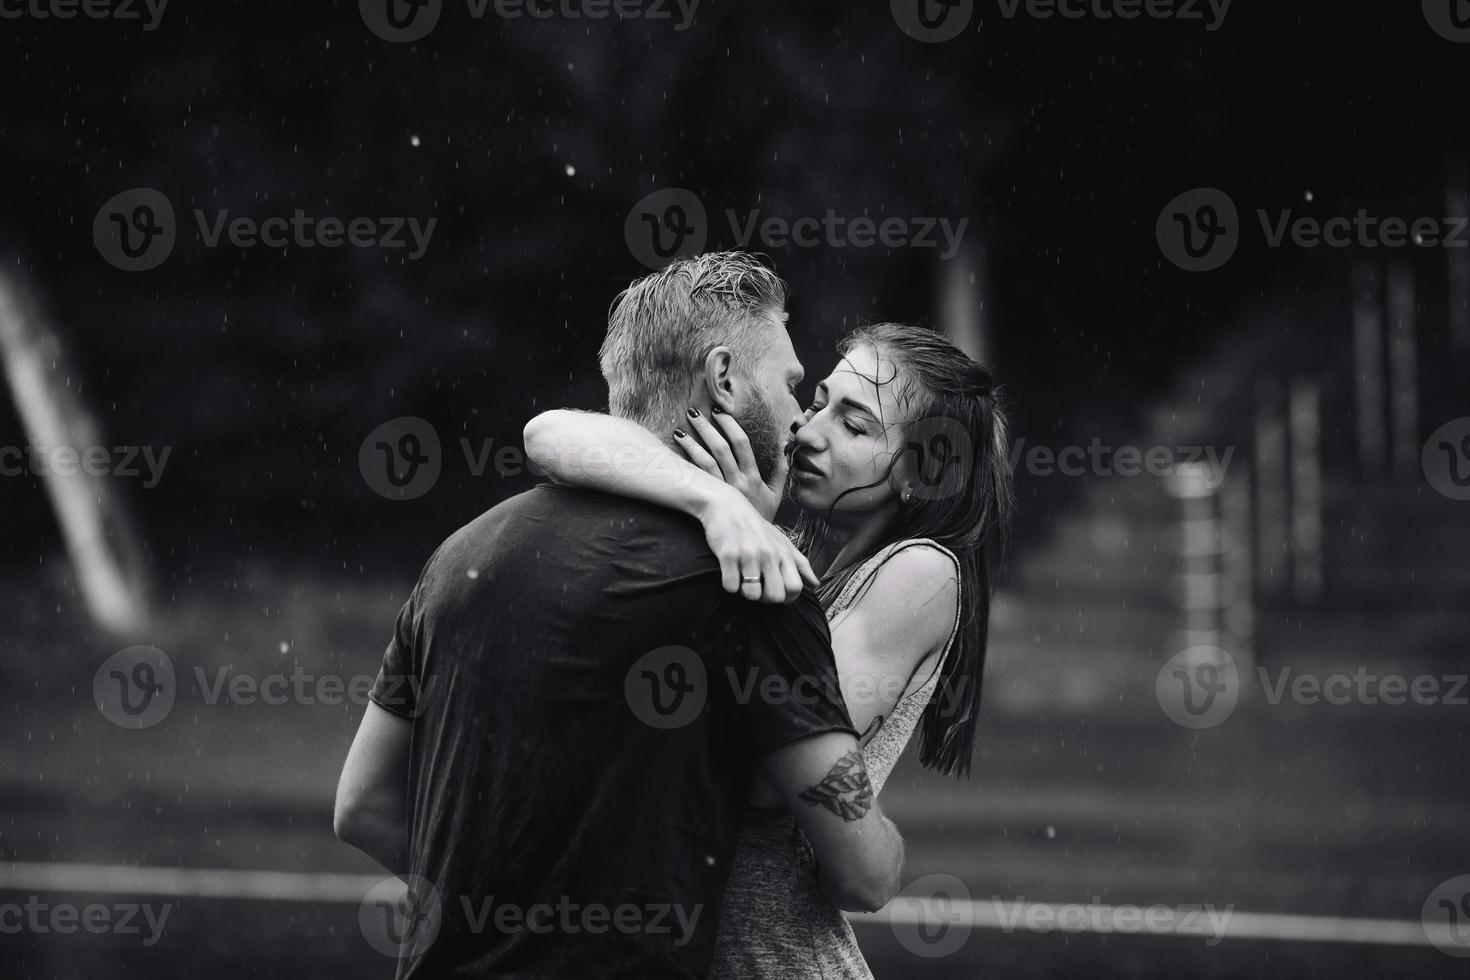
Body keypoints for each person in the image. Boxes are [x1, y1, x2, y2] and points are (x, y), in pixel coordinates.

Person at [332, 251, 906, 979]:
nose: (799, 420)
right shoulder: (756, 580)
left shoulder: (459, 556)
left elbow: (361, 806)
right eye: (793, 386)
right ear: (725, 377)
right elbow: (863, 874)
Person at [524, 319, 1015, 978]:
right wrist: (713, 504)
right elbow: (547, 436)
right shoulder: (775, 543)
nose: (807, 433)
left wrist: (748, 523)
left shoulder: (921, 571)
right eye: (817, 403)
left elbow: (770, 762)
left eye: (856, 425)